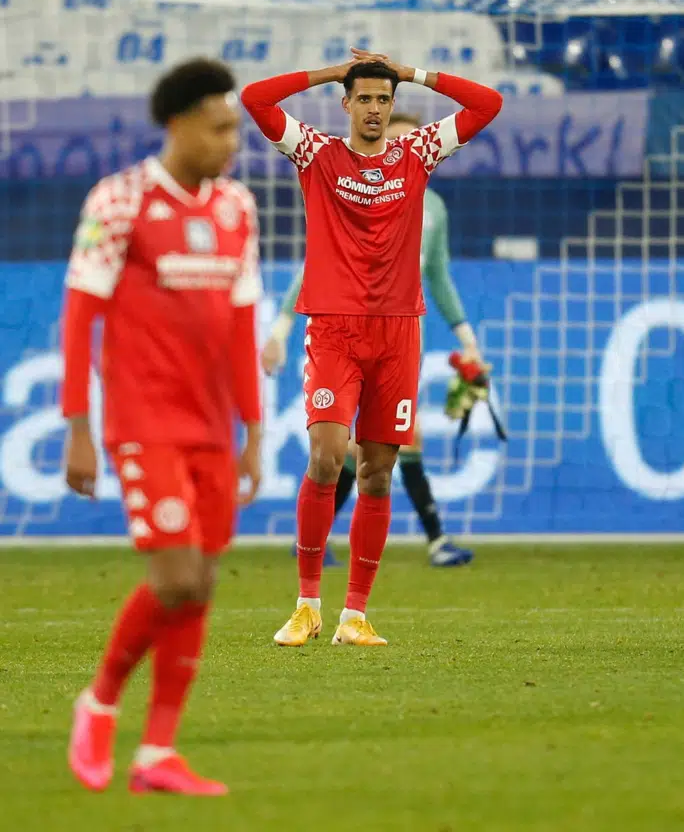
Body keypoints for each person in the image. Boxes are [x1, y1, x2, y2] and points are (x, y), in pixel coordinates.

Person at [241, 50, 502, 648]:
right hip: (334, 327)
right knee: (328, 457)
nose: (376, 109)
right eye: (365, 98)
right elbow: (255, 98)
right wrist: (329, 70)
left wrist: (414, 74)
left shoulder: (418, 154)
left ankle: (354, 614)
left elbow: (489, 104)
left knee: (379, 471)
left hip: (398, 333)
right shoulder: (316, 153)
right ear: (347, 104)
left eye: (385, 99)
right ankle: (307, 603)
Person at [62, 58, 263, 796]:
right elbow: (79, 316)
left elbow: (243, 325)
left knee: (201, 583)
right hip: (143, 421)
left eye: (236, 128)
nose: (231, 142)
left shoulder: (238, 207)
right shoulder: (119, 201)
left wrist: (255, 431)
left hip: (213, 425)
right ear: (178, 126)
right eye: (219, 128)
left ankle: (156, 756)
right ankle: (100, 702)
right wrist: (77, 426)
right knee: (176, 576)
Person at [264, 111, 482, 569]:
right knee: (355, 449)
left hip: (397, 332)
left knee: (372, 451)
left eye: (411, 143)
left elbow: (437, 276)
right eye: (393, 141)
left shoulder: (433, 208)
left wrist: (467, 338)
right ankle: (435, 539)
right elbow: (316, 267)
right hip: (344, 330)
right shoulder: (351, 190)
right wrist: (282, 329)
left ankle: (323, 541)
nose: (398, 152)